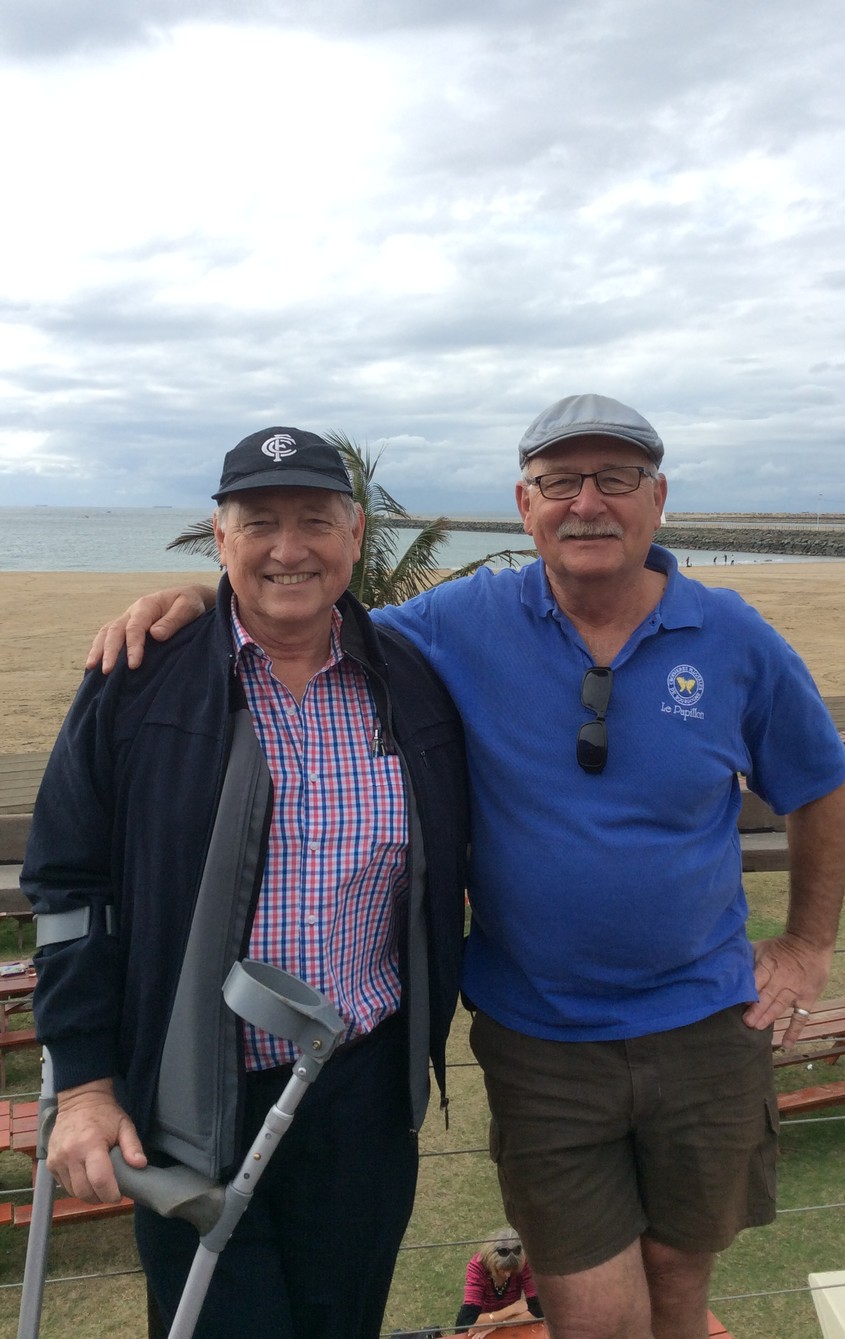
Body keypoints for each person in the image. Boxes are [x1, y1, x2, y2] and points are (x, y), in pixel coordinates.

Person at [87, 395, 845, 1339]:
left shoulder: (734, 637)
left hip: (706, 1023)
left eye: (615, 478)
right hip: (542, 1041)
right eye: (559, 481)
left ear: (657, 499)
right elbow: (306, 605)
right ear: (525, 505)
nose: (587, 502)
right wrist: (207, 600)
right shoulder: (462, 620)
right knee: (596, 1313)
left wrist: (808, 943)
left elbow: (821, 782)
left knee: (679, 1284)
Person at [21, 428, 469, 1339]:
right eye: (259, 521)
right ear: (219, 539)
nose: (288, 547)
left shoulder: (412, 682)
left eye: (316, 520)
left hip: (360, 1098)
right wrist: (87, 1085)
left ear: (355, 534)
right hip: (187, 1094)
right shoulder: (135, 681)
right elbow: (68, 891)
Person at [454, 1227, 544, 1330]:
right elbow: (467, 1323)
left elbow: (539, 1312)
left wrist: (497, 1325)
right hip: (483, 1327)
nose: (508, 1275)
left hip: (502, 1325)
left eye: (512, 1270)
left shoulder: (524, 1262)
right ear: (491, 1264)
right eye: (503, 1270)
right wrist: (512, 1309)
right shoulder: (478, 1267)